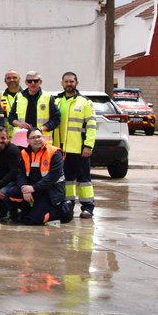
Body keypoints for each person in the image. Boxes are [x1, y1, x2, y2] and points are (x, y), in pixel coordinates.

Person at [53, 71, 97, 219]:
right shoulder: (56, 101)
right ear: (62, 83)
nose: (69, 84)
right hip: (61, 149)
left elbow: (91, 126)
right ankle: (68, 205)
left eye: (72, 81)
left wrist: (88, 146)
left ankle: (88, 207)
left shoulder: (85, 102)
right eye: (66, 82)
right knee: (67, 180)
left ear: (76, 83)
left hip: (79, 149)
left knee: (84, 179)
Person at [16, 129, 67, 225]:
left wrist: (33, 188)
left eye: (39, 136)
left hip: (51, 192)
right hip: (34, 190)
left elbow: (53, 176)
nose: (37, 140)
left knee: (33, 220)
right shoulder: (24, 153)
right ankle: (26, 212)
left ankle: (64, 210)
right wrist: (23, 188)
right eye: (33, 137)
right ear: (28, 141)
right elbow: (21, 174)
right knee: (11, 193)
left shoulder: (54, 153)